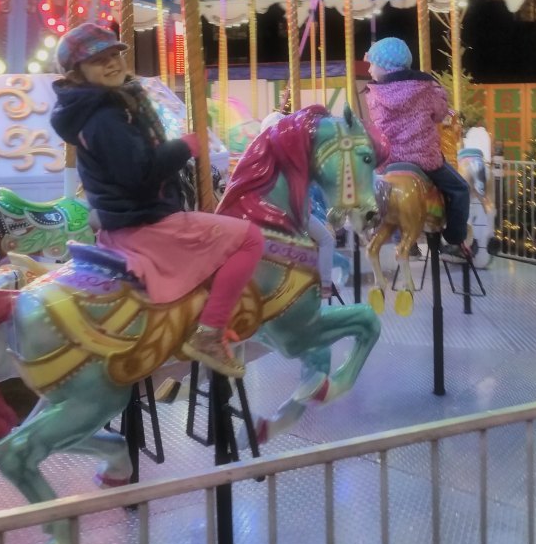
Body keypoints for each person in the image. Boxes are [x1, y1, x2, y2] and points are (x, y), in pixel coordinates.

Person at [50, 22, 264, 378]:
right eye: (99, 60)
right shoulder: (103, 116)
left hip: (130, 219)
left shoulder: (107, 106)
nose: (113, 63)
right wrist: (185, 147)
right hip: (145, 222)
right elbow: (138, 174)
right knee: (250, 238)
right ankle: (209, 334)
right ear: (77, 74)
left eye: (115, 54)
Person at [363, 37, 472, 257]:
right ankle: (453, 239)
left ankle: (394, 233)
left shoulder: (374, 95)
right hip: (425, 159)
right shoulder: (426, 88)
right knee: (460, 189)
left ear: (386, 66)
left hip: (390, 161)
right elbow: (441, 114)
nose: (369, 70)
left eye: (372, 64)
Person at [260, 110, 334, 297]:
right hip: (292, 214)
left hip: (266, 214)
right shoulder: (291, 159)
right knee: (326, 240)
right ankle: (324, 285)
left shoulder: (260, 159)